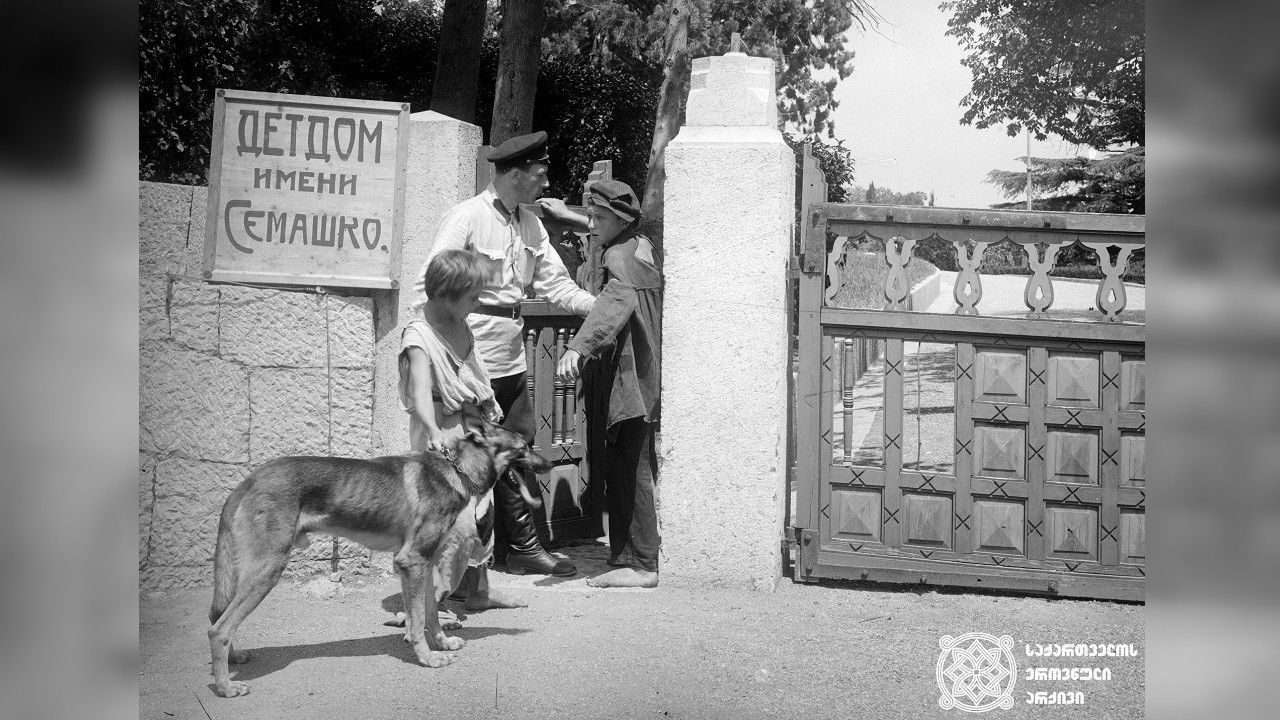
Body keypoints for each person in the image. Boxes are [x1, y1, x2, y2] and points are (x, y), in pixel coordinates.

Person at [413, 130, 596, 581]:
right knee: (467, 465)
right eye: (541, 172)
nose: (546, 181)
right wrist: (444, 353)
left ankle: (523, 548)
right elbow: (429, 284)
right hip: (470, 364)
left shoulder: (530, 225)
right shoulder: (467, 217)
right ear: (515, 174)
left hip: (511, 358)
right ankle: (461, 573)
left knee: (518, 445)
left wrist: (605, 309)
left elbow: (556, 285)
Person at [398, 248, 520, 610]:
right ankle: (430, 604)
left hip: (470, 427)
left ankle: (478, 591)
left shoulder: (459, 322)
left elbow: (471, 372)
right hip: (442, 432)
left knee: (482, 510)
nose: (479, 302)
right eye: (473, 296)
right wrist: (434, 431)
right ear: (448, 293)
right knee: (450, 521)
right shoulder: (419, 335)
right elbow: (421, 389)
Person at [556, 179, 661, 589]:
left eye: (599, 217)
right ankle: (630, 557)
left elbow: (617, 300)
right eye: (590, 216)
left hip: (628, 376)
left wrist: (577, 349)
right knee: (629, 463)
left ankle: (640, 564)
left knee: (627, 467)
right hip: (643, 372)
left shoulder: (617, 256)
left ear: (619, 219)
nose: (592, 224)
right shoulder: (641, 248)